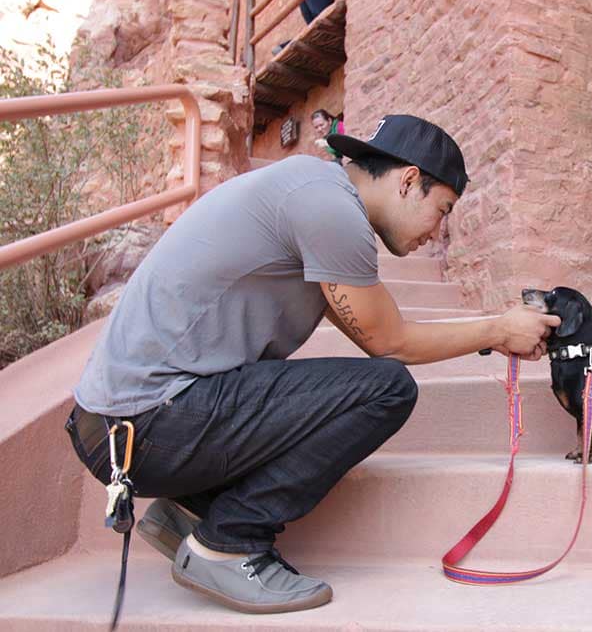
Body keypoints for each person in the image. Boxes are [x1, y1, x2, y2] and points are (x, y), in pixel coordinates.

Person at [65, 114, 559, 614]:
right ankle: (228, 541)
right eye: (443, 208)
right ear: (410, 180)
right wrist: (499, 330)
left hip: (124, 424)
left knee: (344, 385)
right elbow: (392, 345)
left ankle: (194, 514)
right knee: (387, 389)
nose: (439, 232)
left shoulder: (310, 192)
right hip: (144, 424)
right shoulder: (329, 209)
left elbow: (375, 335)